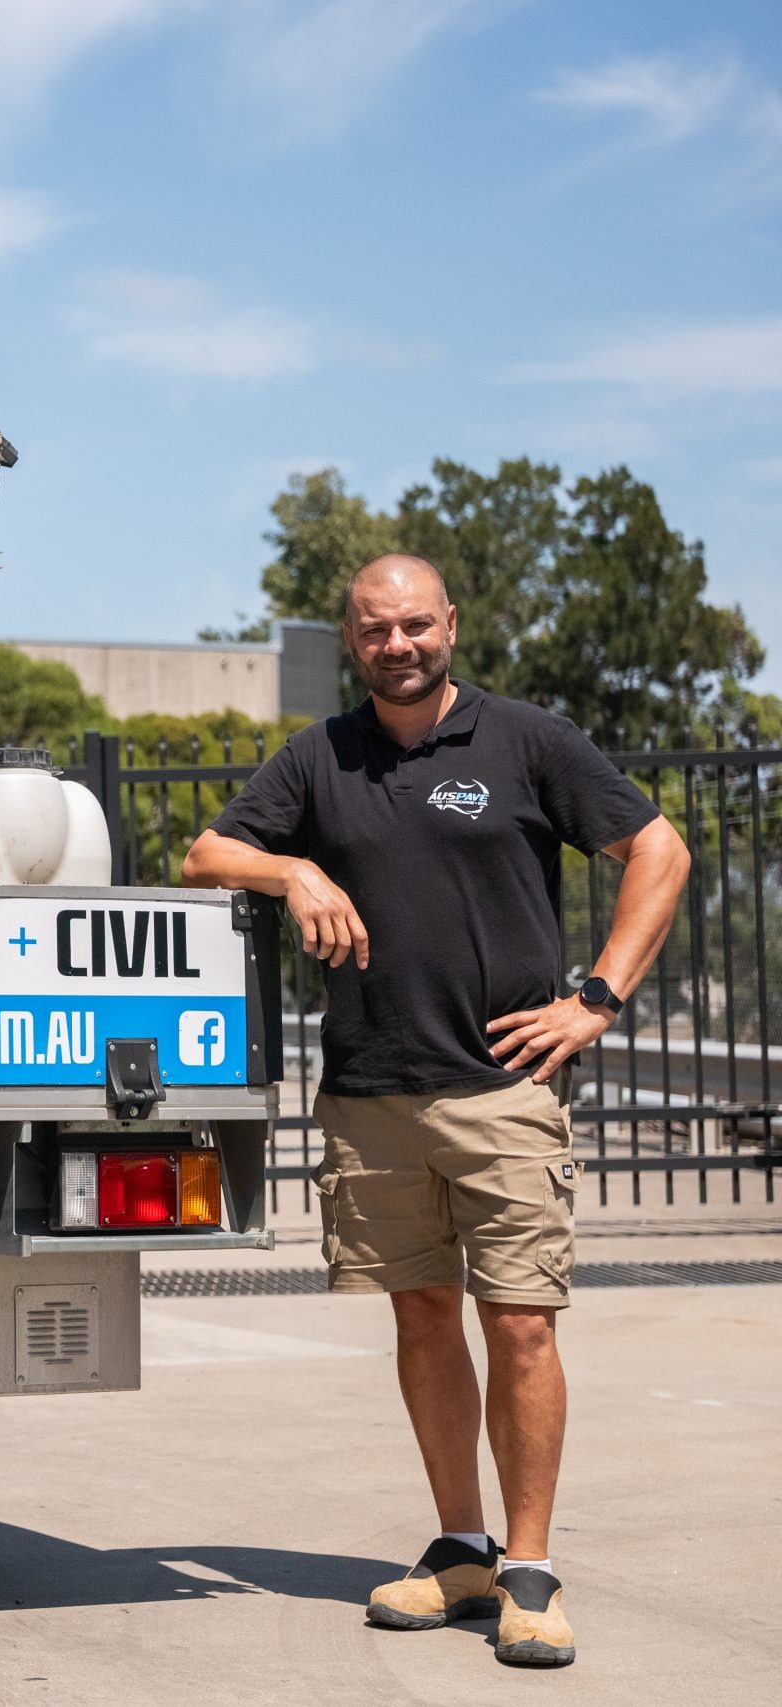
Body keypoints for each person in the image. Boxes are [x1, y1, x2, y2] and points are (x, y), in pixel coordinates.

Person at [181, 554, 689, 1669]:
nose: (397, 645)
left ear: (448, 624)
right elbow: (205, 851)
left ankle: (530, 1569)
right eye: (375, 629)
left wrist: (596, 996)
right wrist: (294, 876)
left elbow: (657, 846)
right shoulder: (320, 755)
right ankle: (460, 1548)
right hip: (369, 1092)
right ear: (351, 638)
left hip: (500, 1088)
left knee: (519, 1321)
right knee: (421, 1319)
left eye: (415, 624)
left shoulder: (526, 741)